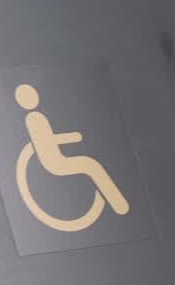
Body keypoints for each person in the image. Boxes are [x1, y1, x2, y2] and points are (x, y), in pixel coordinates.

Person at [15, 83, 129, 215]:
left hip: (55, 157)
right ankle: (119, 204)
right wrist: (73, 137)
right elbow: (46, 142)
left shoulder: (37, 117)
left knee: (90, 164)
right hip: (54, 161)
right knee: (91, 165)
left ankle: (118, 203)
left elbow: (48, 140)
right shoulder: (35, 118)